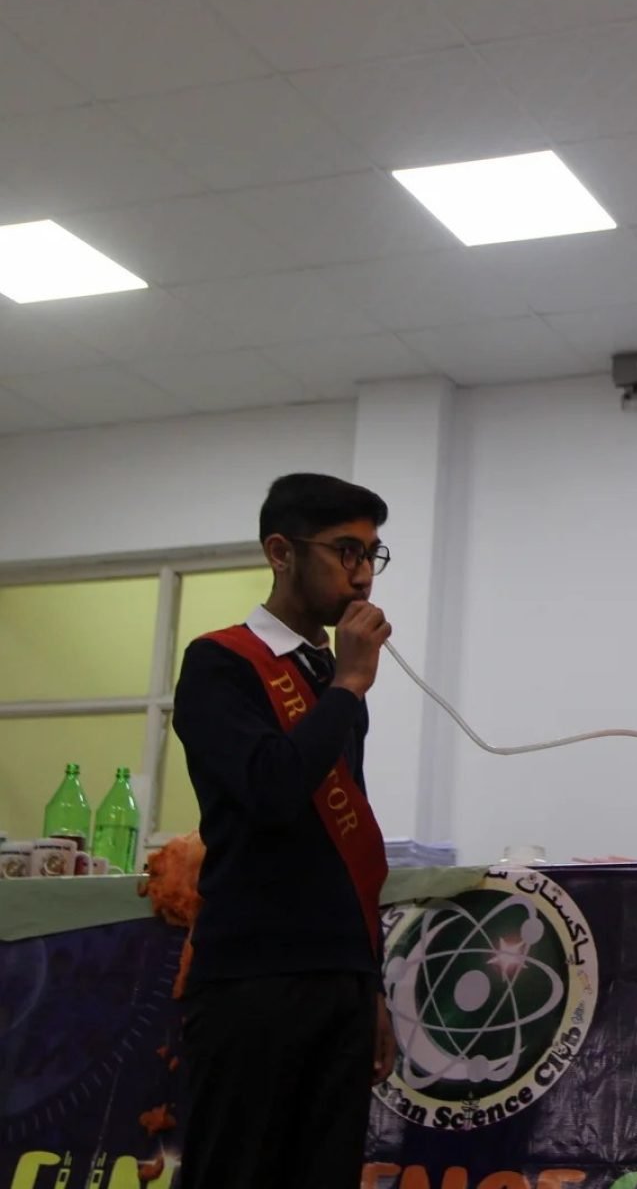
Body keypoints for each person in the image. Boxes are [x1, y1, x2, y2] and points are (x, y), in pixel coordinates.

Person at [173, 473, 395, 1189]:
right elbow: (271, 789)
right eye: (346, 552)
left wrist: (369, 986)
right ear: (281, 551)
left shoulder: (328, 675)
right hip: (253, 980)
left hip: (336, 979)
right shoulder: (219, 662)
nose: (361, 575)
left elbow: (339, 848)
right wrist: (348, 690)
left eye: (372, 555)